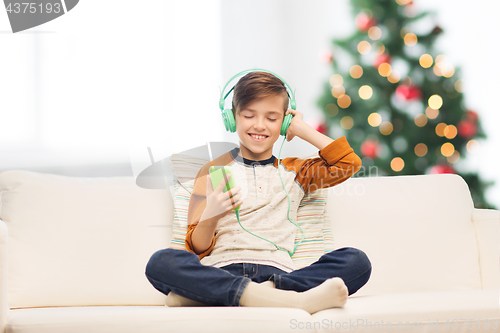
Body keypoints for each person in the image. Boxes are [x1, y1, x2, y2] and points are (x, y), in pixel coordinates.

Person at [145, 71, 372, 314]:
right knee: (162, 263)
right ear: (233, 118)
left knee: (357, 261)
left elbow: (349, 164)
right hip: (221, 269)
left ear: (284, 123)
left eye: (272, 118)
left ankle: (222, 295)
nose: (260, 125)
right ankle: (290, 300)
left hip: (280, 274)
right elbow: (197, 249)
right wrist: (211, 213)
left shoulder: (297, 171)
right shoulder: (212, 170)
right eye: (249, 115)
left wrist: (303, 129)